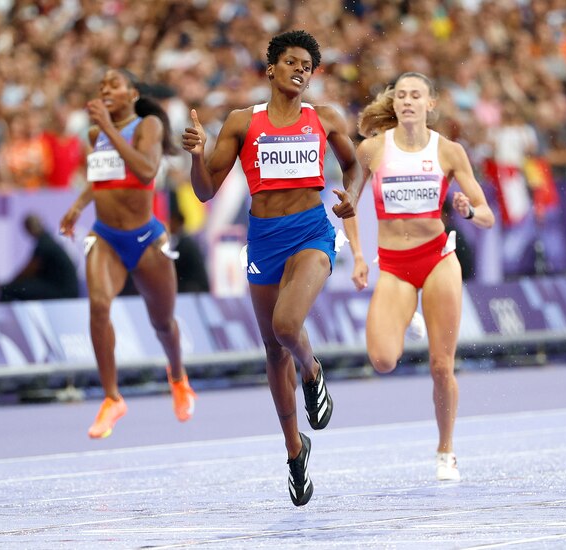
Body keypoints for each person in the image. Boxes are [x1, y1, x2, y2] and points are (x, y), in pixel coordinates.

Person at [182, 30, 361, 506]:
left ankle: (312, 370)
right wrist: (197, 156)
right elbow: (205, 191)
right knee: (272, 350)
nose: (300, 70)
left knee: (286, 326)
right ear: (271, 69)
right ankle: (295, 451)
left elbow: (354, 165)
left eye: (308, 66)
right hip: (264, 240)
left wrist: (352, 197)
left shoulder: (325, 118)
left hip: (312, 234)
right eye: (292, 62)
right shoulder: (243, 122)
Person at [341, 72, 494, 482]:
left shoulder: (449, 151)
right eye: (401, 95)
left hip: (438, 259)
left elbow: (487, 215)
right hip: (394, 265)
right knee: (382, 360)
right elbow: (347, 205)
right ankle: (409, 311)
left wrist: (467, 211)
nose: (408, 101)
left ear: (430, 104)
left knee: (441, 366)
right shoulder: (372, 150)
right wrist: (358, 256)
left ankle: (446, 450)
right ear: (394, 104)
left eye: (416, 95)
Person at [59, 68, 196, 439]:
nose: (105, 89)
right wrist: (77, 206)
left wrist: (108, 128)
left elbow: (146, 170)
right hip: (105, 236)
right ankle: (112, 398)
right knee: (98, 305)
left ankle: (178, 377)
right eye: (101, 85)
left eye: (114, 85)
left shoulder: (148, 126)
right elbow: (101, 176)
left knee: (162, 323)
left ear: (132, 94)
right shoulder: (95, 134)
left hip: (146, 238)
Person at [0, 214, 79, 302]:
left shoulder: (44, 244)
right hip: (65, 289)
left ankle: (0, 311)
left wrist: (7, 285)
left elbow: (29, 271)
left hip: (63, 291)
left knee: (10, 290)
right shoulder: (47, 240)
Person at [168, 207, 210, 293]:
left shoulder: (185, 243)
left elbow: (173, 266)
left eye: (171, 222)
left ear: (178, 222)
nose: (169, 225)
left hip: (196, 289)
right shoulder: (183, 240)